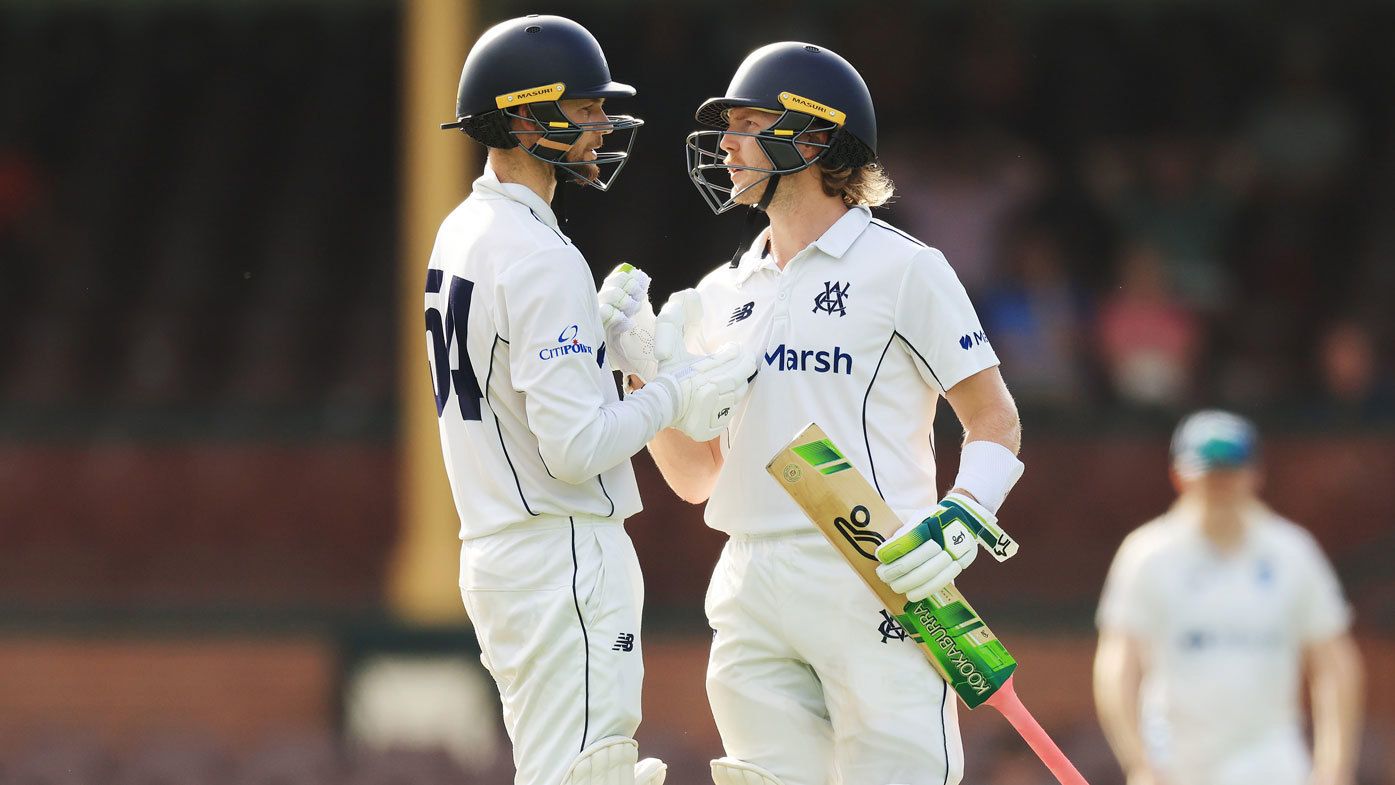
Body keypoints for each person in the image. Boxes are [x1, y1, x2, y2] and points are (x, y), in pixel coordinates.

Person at [600, 42, 1024, 785]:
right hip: (749, 578)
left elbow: (993, 418)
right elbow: (698, 476)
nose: (725, 144)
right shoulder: (717, 294)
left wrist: (962, 515)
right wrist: (642, 375)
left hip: (872, 570)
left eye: (747, 123)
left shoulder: (904, 269)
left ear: (812, 137)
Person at [429, 15, 756, 785]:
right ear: (520, 118)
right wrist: (674, 391)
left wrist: (598, 339)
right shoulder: (538, 254)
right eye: (581, 111)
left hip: (503, 552)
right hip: (559, 551)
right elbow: (575, 449)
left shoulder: (462, 229)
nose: (601, 127)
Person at [1094, 410, 1364, 785]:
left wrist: (1334, 764)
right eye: (1209, 474)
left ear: (1256, 475)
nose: (1219, 486)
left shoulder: (1293, 552)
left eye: (1230, 472)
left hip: (1272, 761)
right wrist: (1138, 762)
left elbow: (1333, 662)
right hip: (1178, 762)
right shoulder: (1147, 554)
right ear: (1179, 476)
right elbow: (1117, 663)